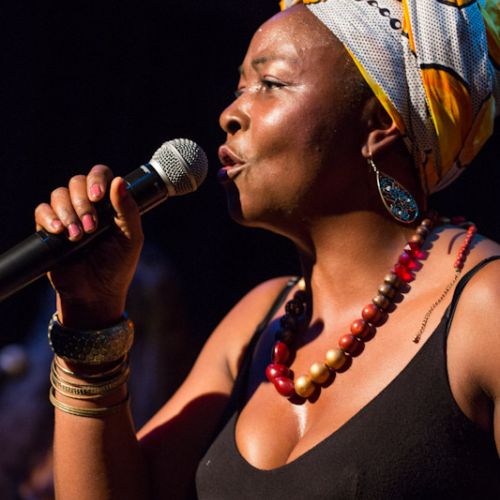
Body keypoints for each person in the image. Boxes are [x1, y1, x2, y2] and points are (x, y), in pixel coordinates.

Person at [33, 1, 500, 498]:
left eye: (271, 83)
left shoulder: (484, 308)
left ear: (380, 121)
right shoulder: (261, 320)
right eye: (240, 90)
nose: (229, 115)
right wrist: (92, 321)